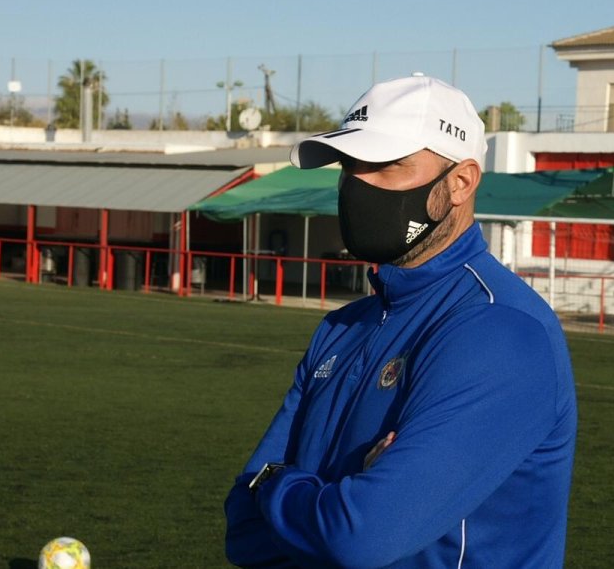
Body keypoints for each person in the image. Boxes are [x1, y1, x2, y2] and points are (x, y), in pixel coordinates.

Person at [225, 74, 577, 568]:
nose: (357, 185)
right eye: (350, 166)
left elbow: (362, 536)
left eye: (385, 165)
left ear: (460, 183)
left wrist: (277, 484)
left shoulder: (500, 331)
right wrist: (325, 498)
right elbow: (243, 530)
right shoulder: (342, 328)